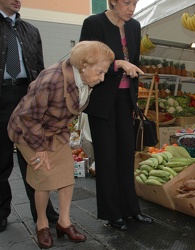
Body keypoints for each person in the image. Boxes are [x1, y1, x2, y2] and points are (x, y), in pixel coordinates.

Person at [7, 40, 115, 248]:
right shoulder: (52, 80)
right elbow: (28, 117)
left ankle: (64, 223)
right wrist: (40, 148)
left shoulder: (82, 78)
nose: (102, 79)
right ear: (83, 65)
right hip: (28, 130)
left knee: (66, 174)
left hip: (54, 129)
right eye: (100, 72)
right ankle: (42, 224)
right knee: (44, 175)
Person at [79, 0, 153, 231]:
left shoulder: (135, 26)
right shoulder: (93, 23)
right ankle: (112, 213)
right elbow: (84, 62)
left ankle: (132, 209)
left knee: (126, 156)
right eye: (126, 2)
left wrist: (134, 99)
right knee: (107, 158)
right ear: (112, 1)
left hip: (125, 100)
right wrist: (116, 64)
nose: (131, 8)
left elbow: (136, 64)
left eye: (135, 2)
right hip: (102, 100)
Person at [0, 0, 58, 234]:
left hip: (27, 99)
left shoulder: (32, 31)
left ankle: (43, 212)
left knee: (35, 158)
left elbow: (39, 69)